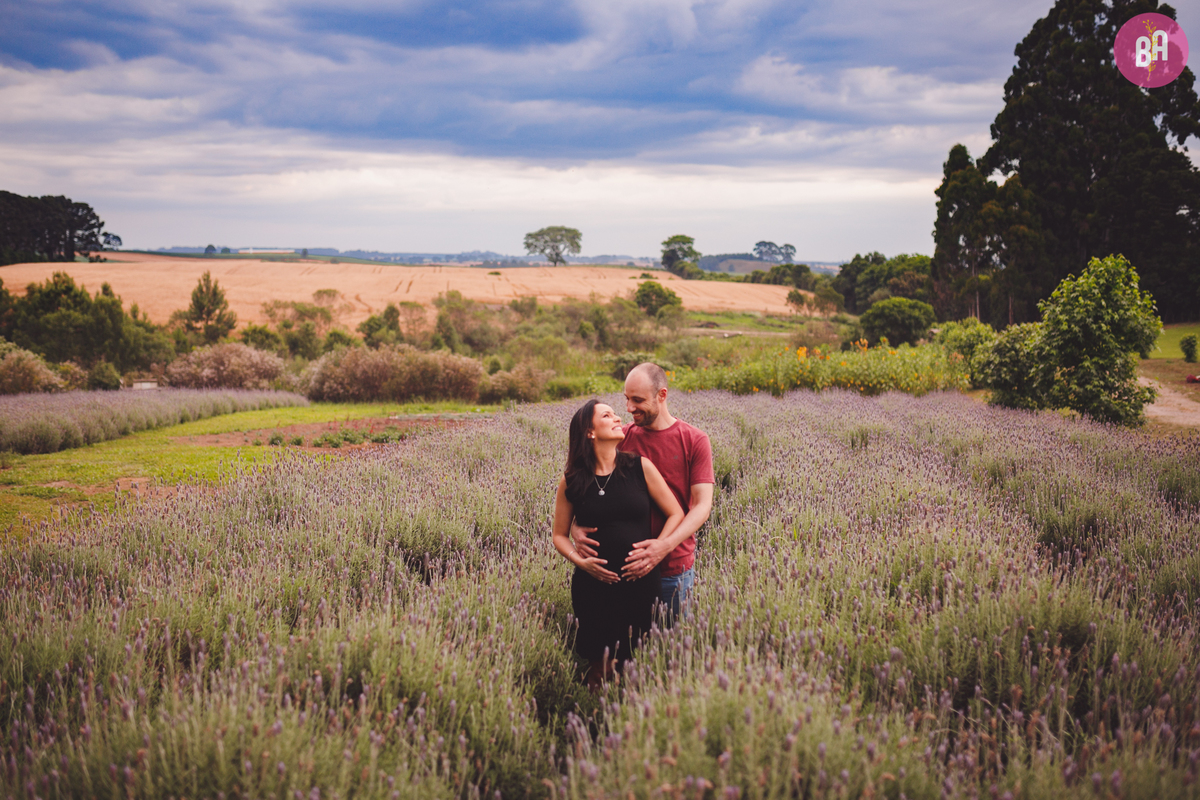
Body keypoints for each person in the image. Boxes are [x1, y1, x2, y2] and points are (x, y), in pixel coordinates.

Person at [552, 399, 685, 689]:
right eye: (607, 415)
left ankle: (629, 724)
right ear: (589, 431)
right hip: (593, 589)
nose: (617, 418)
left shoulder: (639, 467)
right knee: (599, 667)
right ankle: (593, 723)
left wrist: (656, 549)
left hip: (640, 583)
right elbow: (559, 535)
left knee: (632, 666)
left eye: (615, 414)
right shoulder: (572, 479)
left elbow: (676, 513)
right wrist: (581, 562)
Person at [571, 363, 714, 623]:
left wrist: (664, 546)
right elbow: (581, 483)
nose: (629, 409)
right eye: (627, 399)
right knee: (624, 652)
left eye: (638, 400)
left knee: (671, 652)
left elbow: (702, 506)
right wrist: (574, 525)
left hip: (673, 569)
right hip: (623, 571)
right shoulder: (620, 437)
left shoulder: (694, 440)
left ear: (662, 395)